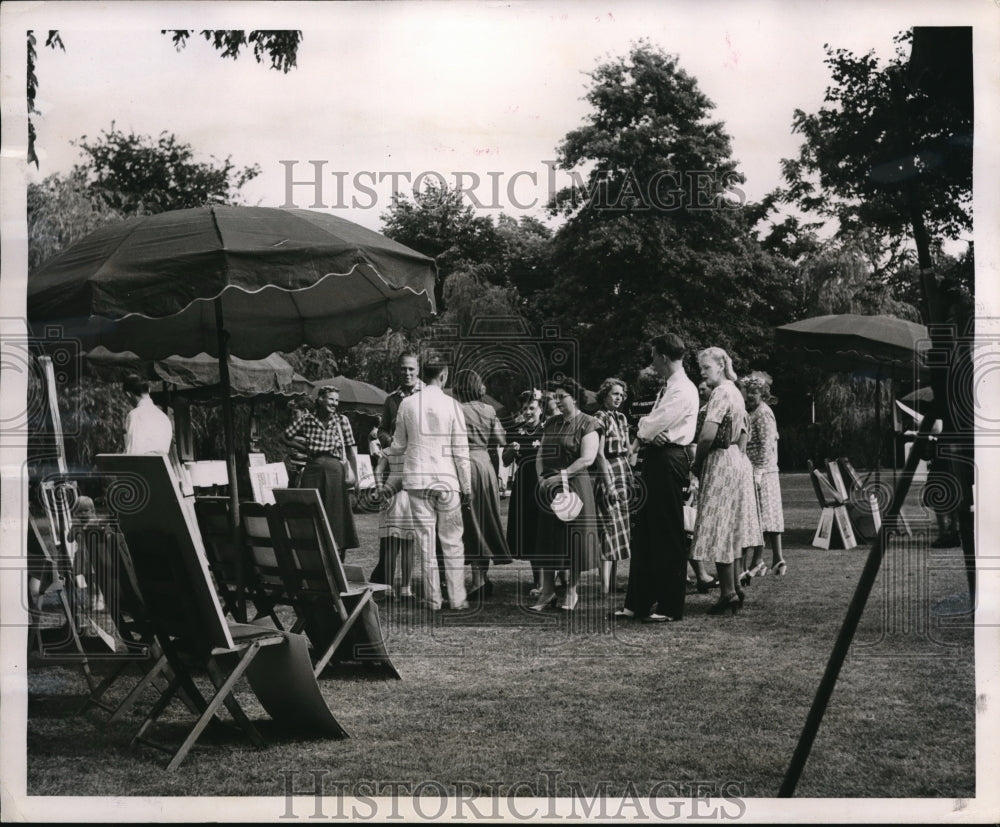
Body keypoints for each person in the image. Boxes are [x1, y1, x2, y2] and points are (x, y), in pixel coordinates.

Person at [616, 334, 699, 623]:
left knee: (665, 532)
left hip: (669, 458)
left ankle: (669, 605)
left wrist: (645, 428)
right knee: (646, 533)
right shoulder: (670, 388)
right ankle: (638, 602)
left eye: (653, 355)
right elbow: (651, 426)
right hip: (656, 457)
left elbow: (651, 425)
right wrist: (648, 429)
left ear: (663, 356)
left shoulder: (682, 390)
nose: (652, 361)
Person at [387, 356, 472, 611]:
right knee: (453, 540)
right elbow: (461, 450)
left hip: (417, 478)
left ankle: (434, 598)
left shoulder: (407, 404)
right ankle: (457, 598)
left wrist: (387, 451)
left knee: (425, 541)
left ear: (423, 374)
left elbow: (399, 445)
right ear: (444, 375)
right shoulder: (453, 405)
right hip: (447, 479)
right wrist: (466, 486)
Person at [690, 347, 763, 616]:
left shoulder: (721, 392)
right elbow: (744, 430)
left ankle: (728, 592)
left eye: (706, 367)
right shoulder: (736, 391)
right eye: (701, 368)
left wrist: (697, 463)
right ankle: (733, 588)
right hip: (735, 459)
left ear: (720, 366)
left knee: (720, 525)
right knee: (730, 528)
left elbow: (708, 434)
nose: (702, 372)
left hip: (720, 459)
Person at [531, 377, 602, 612]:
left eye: (562, 397)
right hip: (549, 488)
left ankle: (571, 591)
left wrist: (561, 476)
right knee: (549, 540)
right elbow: (541, 454)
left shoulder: (589, 423)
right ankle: (548, 592)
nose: (558, 401)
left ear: (575, 397)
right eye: (555, 397)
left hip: (575, 487)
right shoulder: (551, 423)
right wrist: (542, 478)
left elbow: (587, 458)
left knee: (574, 541)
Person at [454, 369, 513, 600]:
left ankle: (476, 581)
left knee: (469, 523)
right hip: (485, 466)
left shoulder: (456, 409)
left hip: (463, 466)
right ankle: (482, 578)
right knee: (486, 519)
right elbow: (501, 439)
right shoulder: (488, 410)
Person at [284, 386, 360, 556]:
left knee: (336, 514)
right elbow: (286, 436)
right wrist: (304, 446)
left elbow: (349, 451)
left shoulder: (342, 421)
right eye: (331, 399)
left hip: (335, 471)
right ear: (320, 399)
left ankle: (338, 555)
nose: (334, 403)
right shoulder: (306, 419)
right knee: (310, 511)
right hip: (312, 469)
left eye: (336, 400)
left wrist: (356, 477)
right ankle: (311, 554)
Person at [370, 352, 425, 588]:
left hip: (419, 467)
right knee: (393, 533)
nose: (407, 373)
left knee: (416, 532)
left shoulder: (427, 395)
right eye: (403, 369)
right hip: (395, 466)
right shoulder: (391, 399)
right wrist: (391, 439)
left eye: (411, 369)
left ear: (418, 370)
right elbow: (381, 430)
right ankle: (388, 582)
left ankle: (418, 584)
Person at [741, 371, 787, 577]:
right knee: (763, 516)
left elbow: (766, 445)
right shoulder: (753, 411)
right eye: (747, 391)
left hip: (763, 471)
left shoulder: (763, 413)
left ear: (763, 394)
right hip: (755, 469)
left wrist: (758, 470)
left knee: (764, 516)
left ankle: (769, 559)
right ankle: (769, 560)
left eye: (754, 392)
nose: (750, 395)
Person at [503, 389, 546, 596]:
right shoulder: (515, 430)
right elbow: (504, 460)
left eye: (531, 408)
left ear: (540, 408)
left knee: (544, 531)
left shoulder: (548, 429)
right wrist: (511, 449)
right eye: (524, 408)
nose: (527, 412)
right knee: (529, 532)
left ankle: (553, 580)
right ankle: (538, 581)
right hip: (523, 484)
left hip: (543, 482)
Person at [592, 378, 633, 594]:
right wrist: (608, 484)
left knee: (619, 528)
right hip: (608, 471)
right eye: (614, 394)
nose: (618, 398)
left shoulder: (622, 418)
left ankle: (613, 582)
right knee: (608, 529)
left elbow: (627, 449)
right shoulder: (600, 417)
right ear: (605, 395)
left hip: (623, 470)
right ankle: (604, 586)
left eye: (621, 395)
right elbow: (599, 454)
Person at [122, 374, 173, 455]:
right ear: (149, 390)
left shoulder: (134, 415)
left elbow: (132, 454)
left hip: (142, 466)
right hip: (161, 466)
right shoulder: (164, 417)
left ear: (128, 394)